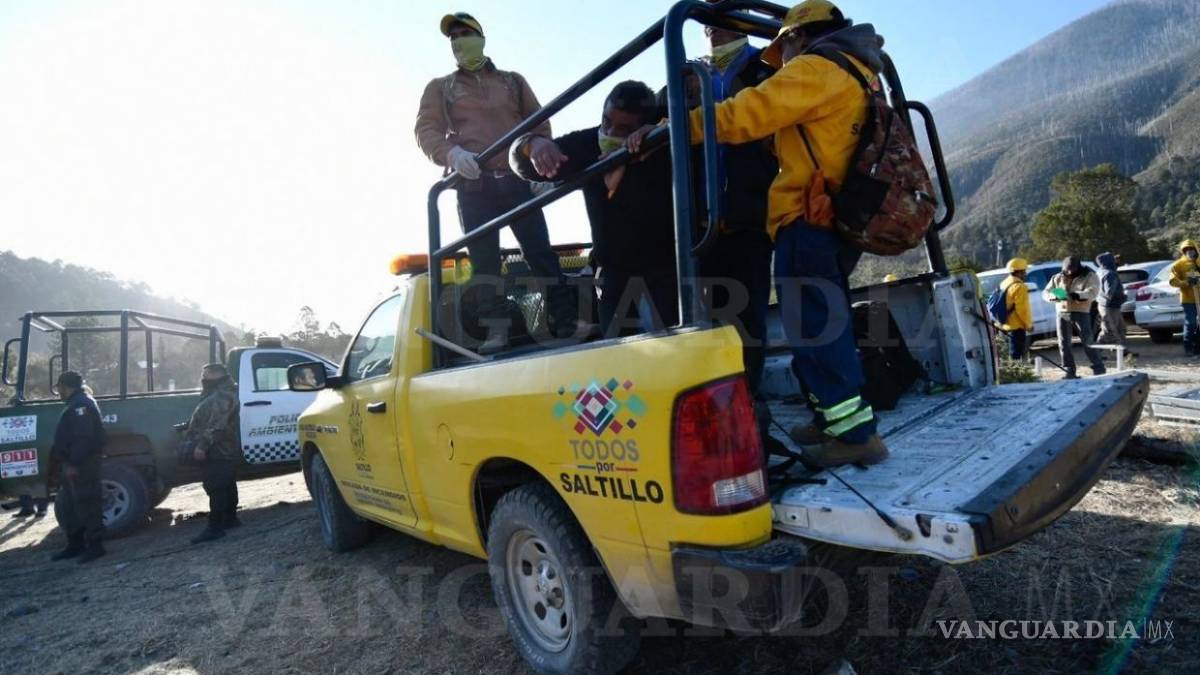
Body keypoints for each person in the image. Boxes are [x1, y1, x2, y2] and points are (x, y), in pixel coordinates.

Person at [631, 0, 888, 467]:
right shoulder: (860, 72)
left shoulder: (816, 68)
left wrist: (674, 129)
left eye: (782, 50)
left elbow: (746, 113)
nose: (781, 63)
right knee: (821, 324)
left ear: (796, 37)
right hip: (838, 216)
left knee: (815, 330)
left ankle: (856, 438)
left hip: (807, 217)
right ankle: (837, 422)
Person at [415, 12, 577, 350]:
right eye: (453, 37)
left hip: (518, 180)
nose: (459, 40)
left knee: (540, 253)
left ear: (481, 37)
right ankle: (497, 330)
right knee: (485, 261)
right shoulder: (441, 87)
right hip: (474, 185)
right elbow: (426, 131)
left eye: (465, 33)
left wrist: (536, 167)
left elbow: (539, 123)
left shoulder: (512, 81)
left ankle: (566, 319)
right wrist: (452, 154)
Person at [510, 81, 679, 336]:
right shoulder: (587, 144)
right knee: (618, 359)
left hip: (666, 271)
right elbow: (518, 161)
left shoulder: (665, 143)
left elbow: (700, 126)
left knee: (677, 353)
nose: (609, 132)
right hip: (614, 275)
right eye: (606, 121)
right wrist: (532, 144)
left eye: (624, 129)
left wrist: (662, 131)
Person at [693, 12, 779, 393]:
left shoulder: (769, 68)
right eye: (706, 13)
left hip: (751, 215)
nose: (710, 21)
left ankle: (749, 406)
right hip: (697, 221)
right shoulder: (685, 76)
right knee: (702, 325)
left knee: (746, 320)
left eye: (721, 9)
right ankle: (714, 410)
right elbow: (649, 122)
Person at [49, 371, 107, 563]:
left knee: (87, 502)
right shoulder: (75, 403)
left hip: (83, 464)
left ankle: (95, 546)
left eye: (60, 388)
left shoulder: (81, 404)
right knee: (70, 505)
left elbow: (84, 438)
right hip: (72, 463)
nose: (59, 392)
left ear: (66, 386)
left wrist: (73, 463)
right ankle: (75, 545)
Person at [185, 364, 241, 543]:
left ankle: (215, 527)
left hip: (218, 448)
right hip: (222, 447)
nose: (203, 379)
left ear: (216, 375)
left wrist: (202, 445)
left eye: (205, 375)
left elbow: (218, 425)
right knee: (226, 483)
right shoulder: (220, 392)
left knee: (216, 486)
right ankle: (230, 519)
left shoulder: (223, 394)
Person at [1042, 257, 1106, 379]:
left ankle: (1099, 368)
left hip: (1081, 312)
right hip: (1062, 312)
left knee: (1087, 341)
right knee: (1063, 343)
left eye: (1072, 270)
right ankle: (1069, 370)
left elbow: (1093, 292)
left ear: (1078, 267)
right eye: (1067, 270)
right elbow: (1045, 292)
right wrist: (1054, 296)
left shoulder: (1090, 276)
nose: (1070, 272)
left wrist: (1078, 295)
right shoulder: (1057, 277)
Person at [997, 258, 1033, 360]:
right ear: (1020, 272)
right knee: (1016, 356)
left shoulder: (1004, 283)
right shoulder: (1020, 287)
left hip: (1004, 325)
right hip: (1016, 326)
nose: (1025, 274)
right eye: (1024, 271)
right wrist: (1028, 325)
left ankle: (1011, 373)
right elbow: (1022, 310)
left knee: (1008, 355)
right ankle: (1015, 375)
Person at [1169, 240, 1200, 356]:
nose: (1190, 251)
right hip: (1188, 299)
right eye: (1187, 249)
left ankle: (1198, 348)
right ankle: (1188, 348)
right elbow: (1173, 281)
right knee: (1191, 323)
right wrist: (1186, 283)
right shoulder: (1178, 265)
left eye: (1192, 249)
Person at [1095, 252, 1127, 347]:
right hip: (1110, 306)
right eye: (1113, 259)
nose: (1115, 261)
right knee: (1108, 331)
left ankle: (1122, 351)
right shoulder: (1110, 274)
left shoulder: (1100, 271)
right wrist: (1123, 297)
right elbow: (1110, 293)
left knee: (1120, 328)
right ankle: (1096, 353)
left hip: (1105, 305)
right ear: (1109, 261)